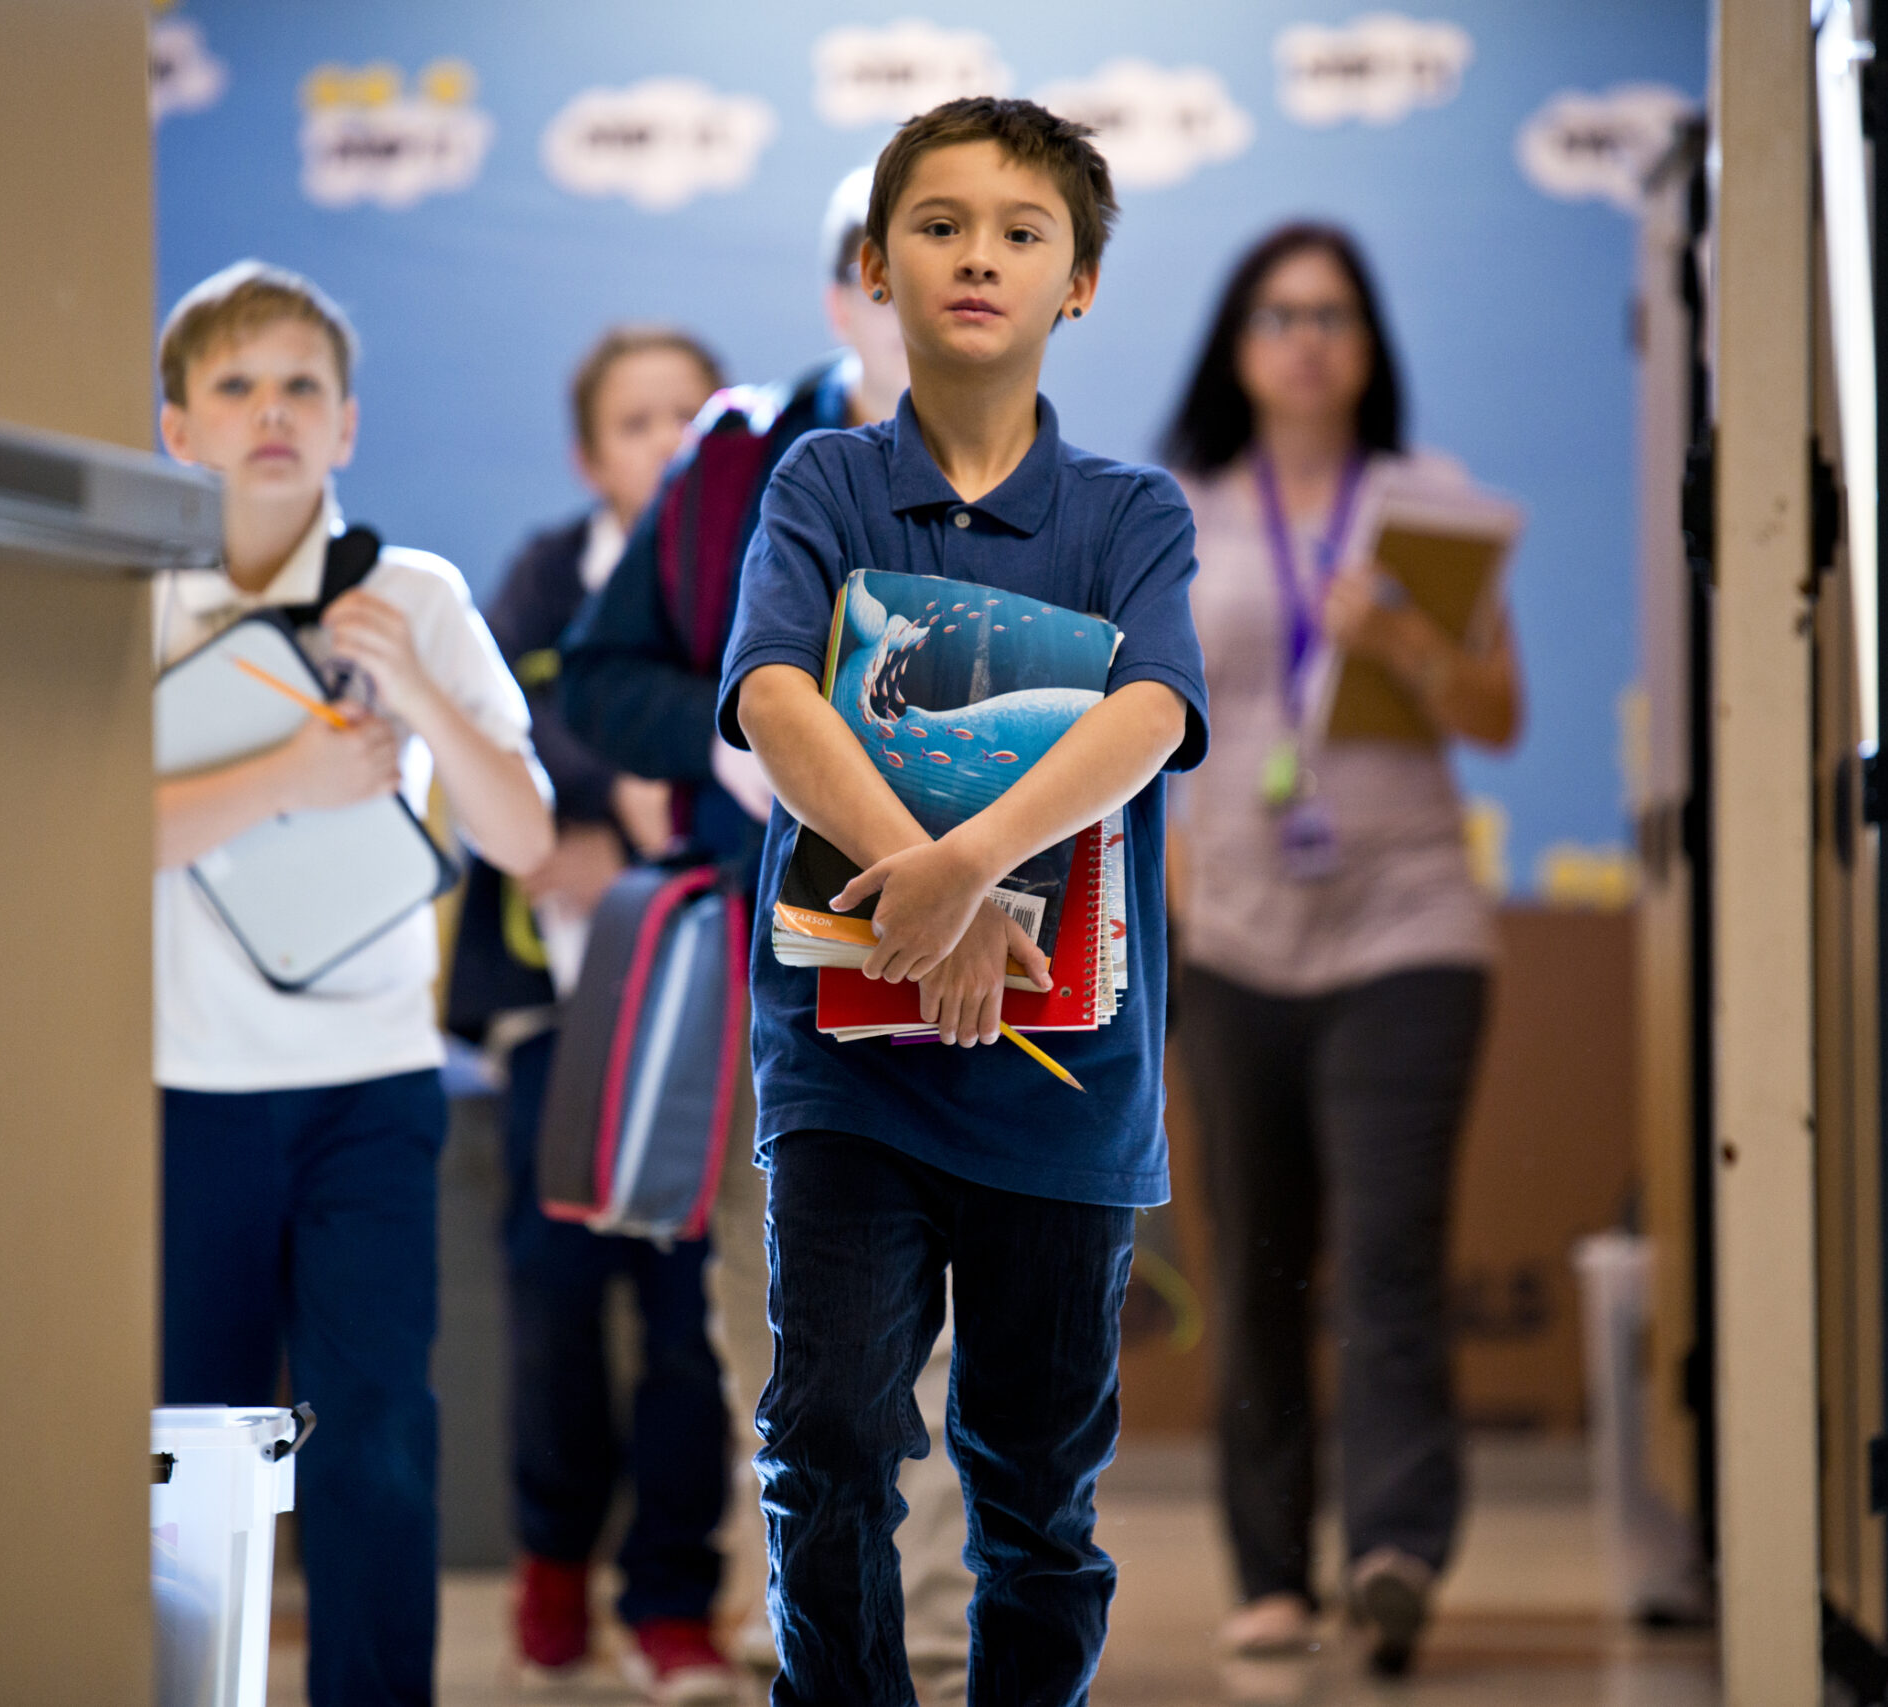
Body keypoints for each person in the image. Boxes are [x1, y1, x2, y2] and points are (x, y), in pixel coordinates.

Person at [719, 98, 1208, 1706]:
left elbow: (1149, 718)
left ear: (1079, 283)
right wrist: (924, 893)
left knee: (1036, 1495)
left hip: (1062, 1095)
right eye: (937, 225)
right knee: (834, 1438)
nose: (976, 256)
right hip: (850, 1074)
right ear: (876, 264)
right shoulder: (821, 482)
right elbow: (778, 697)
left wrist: (968, 867)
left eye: (1021, 230)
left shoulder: (1130, 515)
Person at [561, 169, 979, 1698]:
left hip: (972, 959)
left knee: (943, 1324)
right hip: (776, 957)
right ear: (845, 291)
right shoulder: (737, 457)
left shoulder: (1049, 482)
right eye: (904, 275)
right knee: (783, 1324)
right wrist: (728, 737)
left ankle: (930, 1649)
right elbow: (600, 682)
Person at [150, 260, 555, 1707]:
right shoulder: (128, 594)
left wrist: (422, 692)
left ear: (349, 424)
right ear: (177, 427)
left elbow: (521, 832)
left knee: (377, 1431)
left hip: (372, 1092)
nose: (272, 411)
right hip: (181, 1085)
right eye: (236, 385)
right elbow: (94, 838)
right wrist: (289, 772)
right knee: (190, 1443)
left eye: (302, 385)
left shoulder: (419, 591)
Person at [1158, 222, 1522, 1675]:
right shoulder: (1172, 513)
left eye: (1333, 313)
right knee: (1256, 1272)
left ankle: (1395, 1549)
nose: (1306, 338)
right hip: (1234, 936)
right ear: (1236, 347)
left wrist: (1417, 650)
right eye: (1276, 313)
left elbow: (1497, 718)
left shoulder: (1428, 504)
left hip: (1409, 925)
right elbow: (1144, 734)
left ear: (1367, 345)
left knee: (1387, 1260)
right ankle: (1269, 1574)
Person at [442, 325, 743, 1701]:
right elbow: (492, 711)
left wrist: (646, 826)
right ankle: (554, 1553)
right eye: (637, 421)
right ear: (588, 453)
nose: (668, 441)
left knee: (694, 1318)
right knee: (557, 1301)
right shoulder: (547, 574)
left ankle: (674, 1595)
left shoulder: (752, 571)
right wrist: (599, 793)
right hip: (559, 1011)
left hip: (702, 1009)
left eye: (692, 415)